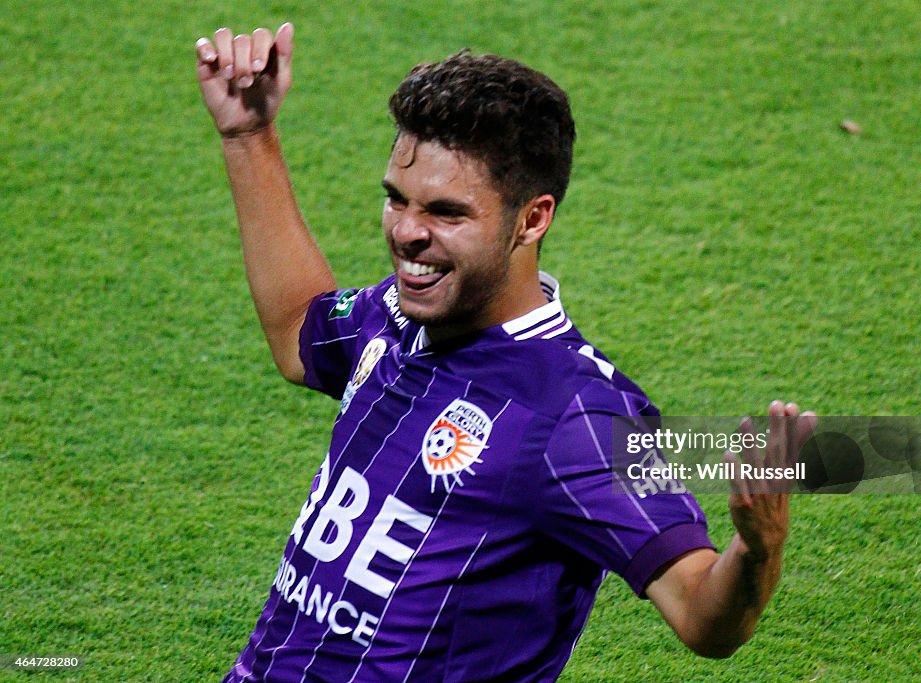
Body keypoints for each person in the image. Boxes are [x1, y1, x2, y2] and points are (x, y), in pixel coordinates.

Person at [195, 23, 817, 683]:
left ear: (532, 218)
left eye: (446, 212)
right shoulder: (395, 315)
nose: (407, 232)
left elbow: (701, 614)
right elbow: (300, 332)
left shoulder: (578, 417)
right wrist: (248, 136)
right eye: (396, 199)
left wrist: (757, 549)